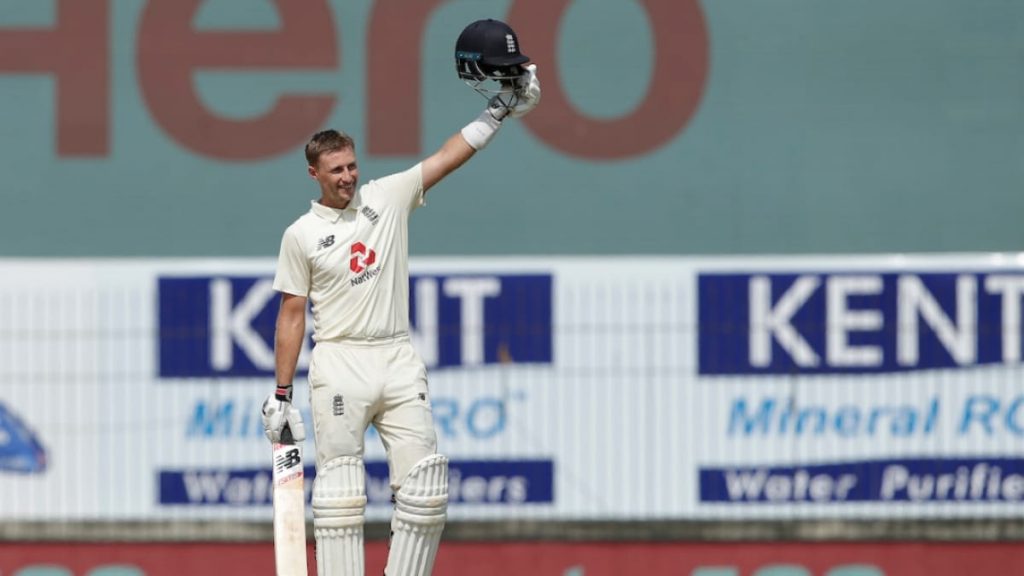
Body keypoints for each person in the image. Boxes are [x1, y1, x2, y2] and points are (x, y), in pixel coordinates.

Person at [260, 19, 541, 576]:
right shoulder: (301, 234)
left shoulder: (385, 198)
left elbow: (446, 157)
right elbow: (292, 315)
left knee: (428, 490)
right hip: (339, 362)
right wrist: (282, 393)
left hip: (395, 355)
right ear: (314, 173)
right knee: (340, 499)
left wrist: (499, 111)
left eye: (352, 166)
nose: (347, 177)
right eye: (336, 170)